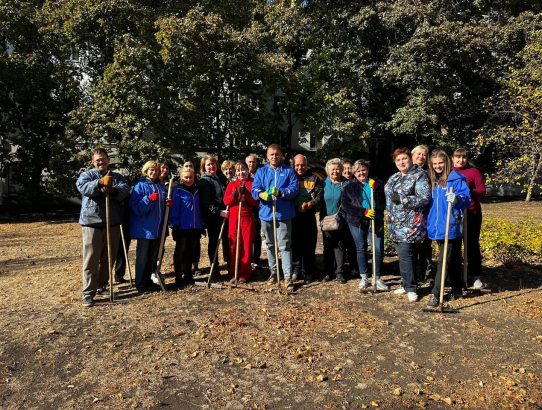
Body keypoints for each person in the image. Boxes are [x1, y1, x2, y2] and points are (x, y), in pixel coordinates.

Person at [76, 148, 130, 307]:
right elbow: (82, 187)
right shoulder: (87, 175)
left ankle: (102, 286)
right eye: (97, 160)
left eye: (103, 159)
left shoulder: (117, 176)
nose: (101, 162)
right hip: (91, 222)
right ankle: (88, 292)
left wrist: (112, 190)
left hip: (112, 222)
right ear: (93, 162)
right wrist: (99, 182)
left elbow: (125, 190)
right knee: (91, 259)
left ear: (108, 160)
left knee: (108, 257)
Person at [384, 148, 431, 303]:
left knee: (407, 256)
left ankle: (411, 288)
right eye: (398, 160)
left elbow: (425, 198)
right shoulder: (394, 177)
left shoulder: (419, 175)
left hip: (410, 225)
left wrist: (404, 199)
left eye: (404, 159)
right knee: (403, 256)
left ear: (410, 159)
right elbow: (389, 198)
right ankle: (406, 284)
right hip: (395, 225)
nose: (401, 162)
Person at [426, 150, 470, 307]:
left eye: (441, 163)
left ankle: (436, 294)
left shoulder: (455, 179)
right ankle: (457, 288)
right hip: (437, 226)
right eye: (435, 163)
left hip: (450, 225)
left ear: (447, 163)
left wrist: (457, 198)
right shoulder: (433, 181)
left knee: (443, 261)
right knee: (452, 259)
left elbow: (466, 199)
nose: (438, 166)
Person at [252, 144, 298, 290]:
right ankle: (273, 272)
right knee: (270, 245)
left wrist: (281, 192)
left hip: (283, 214)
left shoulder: (289, 171)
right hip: (266, 214)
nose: (274, 157)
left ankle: (288, 277)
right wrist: (261, 194)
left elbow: (294, 189)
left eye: (277, 154)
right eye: (271, 154)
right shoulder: (261, 171)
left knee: (285, 246)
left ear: (281, 155)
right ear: (267, 156)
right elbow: (255, 188)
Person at [342, 160, 389, 290]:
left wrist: (378, 194)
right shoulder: (349, 187)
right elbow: (346, 206)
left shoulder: (377, 184)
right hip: (357, 221)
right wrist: (363, 212)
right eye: (358, 171)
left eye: (363, 169)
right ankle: (364, 277)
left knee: (378, 248)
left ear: (367, 170)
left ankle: (377, 277)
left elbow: (385, 202)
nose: (361, 173)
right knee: (361, 248)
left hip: (376, 219)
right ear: (354, 173)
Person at [129, 160, 169, 293]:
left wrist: (167, 203)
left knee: (152, 257)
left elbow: (162, 207)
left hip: (158, 229)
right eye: (151, 170)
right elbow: (135, 208)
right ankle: (140, 284)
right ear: (146, 170)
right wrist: (148, 199)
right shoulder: (140, 186)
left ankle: (148, 281)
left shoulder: (160, 186)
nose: (154, 172)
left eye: (157, 170)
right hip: (145, 229)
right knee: (143, 257)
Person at [452, 147, 486, 287]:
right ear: (452, 158)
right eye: (458, 157)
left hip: (471, 213)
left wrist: (468, 190)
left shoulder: (473, 172)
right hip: (454, 213)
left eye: (464, 157)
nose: (461, 160)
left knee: (471, 244)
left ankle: (475, 275)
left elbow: (482, 191)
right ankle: (454, 275)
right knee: (454, 245)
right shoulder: (449, 172)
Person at [223, 162, 259, 283]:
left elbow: (256, 202)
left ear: (247, 170)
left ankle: (245, 272)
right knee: (234, 245)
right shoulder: (232, 184)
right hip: (234, 217)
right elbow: (226, 201)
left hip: (247, 217)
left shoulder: (253, 183)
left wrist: (247, 195)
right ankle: (234, 272)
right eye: (238, 171)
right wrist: (234, 195)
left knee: (247, 245)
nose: (241, 172)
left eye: (243, 169)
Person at [291, 154, 323, 283]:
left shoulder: (314, 178)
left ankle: (308, 271)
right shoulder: (290, 177)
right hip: (293, 215)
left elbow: (320, 196)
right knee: (295, 244)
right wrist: (295, 205)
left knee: (309, 244)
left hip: (308, 216)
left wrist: (310, 204)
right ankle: (295, 270)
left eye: (302, 165)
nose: (300, 167)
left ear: (307, 165)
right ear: (293, 166)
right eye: (297, 165)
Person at [170, 168, 204, 287]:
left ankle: (188, 274)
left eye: (191, 177)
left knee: (191, 250)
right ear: (181, 178)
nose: (188, 180)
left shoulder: (197, 190)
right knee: (180, 251)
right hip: (182, 226)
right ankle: (178, 276)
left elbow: (199, 208)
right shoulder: (178, 190)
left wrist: (201, 224)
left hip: (194, 226)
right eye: (186, 177)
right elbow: (175, 209)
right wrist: (175, 224)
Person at [198, 154, 229, 278]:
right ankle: (214, 268)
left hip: (223, 214)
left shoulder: (218, 178)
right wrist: (218, 212)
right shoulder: (204, 181)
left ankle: (228, 264)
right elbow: (206, 202)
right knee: (214, 242)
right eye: (208, 164)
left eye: (213, 164)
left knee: (226, 241)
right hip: (213, 217)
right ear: (204, 167)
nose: (211, 166)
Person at [320, 158, 349, 283]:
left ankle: (340, 272)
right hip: (326, 220)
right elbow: (318, 200)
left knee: (340, 246)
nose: (335, 171)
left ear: (342, 170)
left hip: (341, 220)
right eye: (333, 169)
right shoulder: (323, 183)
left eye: (338, 169)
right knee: (327, 246)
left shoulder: (346, 184)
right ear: (327, 171)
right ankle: (328, 272)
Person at [411, 144, 435, 285]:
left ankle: (428, 274)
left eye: (424, 155)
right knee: (412, 247)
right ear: (412, 155)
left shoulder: (429, 172)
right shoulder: (406, 170)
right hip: (411, 215)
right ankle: (414, 275)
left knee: (426, 246)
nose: (421, 157)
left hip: (426, 213)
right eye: (418, 154)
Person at [246, 154, 262, 267]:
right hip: (246, 209)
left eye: (254, 162)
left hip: (257, 209)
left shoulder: (260, 174)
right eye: (250, 162)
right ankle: (248, 257)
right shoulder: (243, 173)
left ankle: (256, 257)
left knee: (256, 234)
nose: (252, 164)